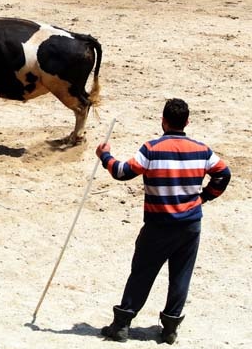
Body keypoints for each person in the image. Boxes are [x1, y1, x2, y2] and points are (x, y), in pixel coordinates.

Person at [95, 98, 231, 344]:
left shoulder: (152, 148)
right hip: (190, 224)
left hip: (158, 224)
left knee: (142, 272)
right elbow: (223, 174)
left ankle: (122, 325)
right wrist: (204, 198)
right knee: (181, 275)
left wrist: (105, 156)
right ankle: (169, 329)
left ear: (163, 121)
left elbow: (122, 172)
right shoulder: (202, 149)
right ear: (187, 122)